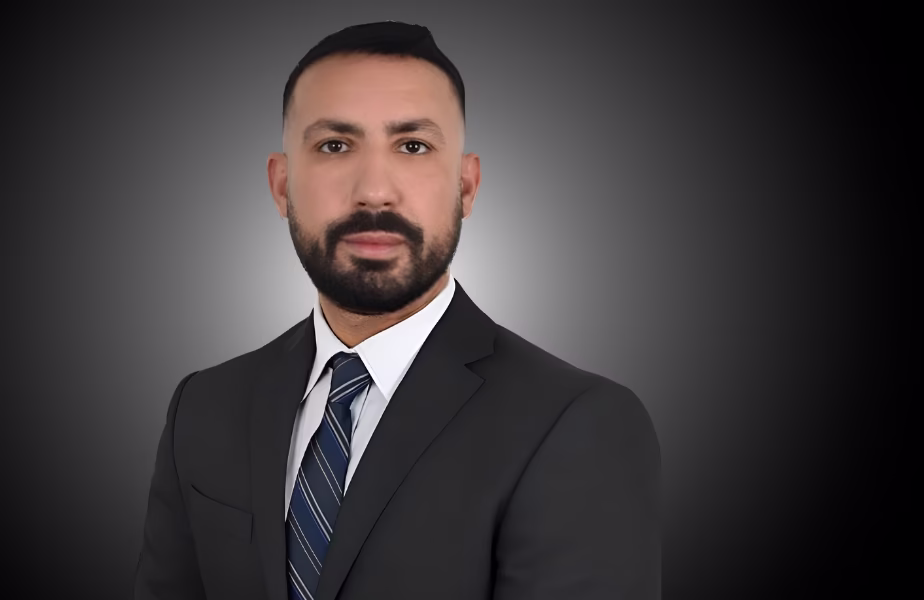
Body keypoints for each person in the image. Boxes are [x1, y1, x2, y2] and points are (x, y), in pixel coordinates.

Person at [134, 20, 660, 600]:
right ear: (282, 186)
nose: (374, 191)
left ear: (466, 187)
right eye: (335, 145)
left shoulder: (577, 424)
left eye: (413, 146)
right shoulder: (203, 407)